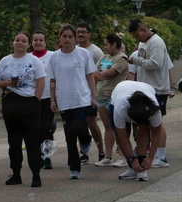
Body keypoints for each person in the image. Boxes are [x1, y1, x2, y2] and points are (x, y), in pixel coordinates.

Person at [0, 32, 47, 188]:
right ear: (13, 42)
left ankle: (36, 174)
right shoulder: (5, 61)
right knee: (14, 141)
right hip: (11, 101)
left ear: (28, 44)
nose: (20, 43)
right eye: (17, 40)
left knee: (32, 141)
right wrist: (8, 83)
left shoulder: (34, 60)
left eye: (23, 41)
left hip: (29, 102)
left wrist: (36, 100)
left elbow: (41, 81)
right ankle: (16, 174)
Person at [48, 24, 97, 180]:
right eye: (64, 36)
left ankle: (86, 139)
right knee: (69, 135)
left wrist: (93, 97)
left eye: (70, 36)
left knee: (80, 127)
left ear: (75, 38)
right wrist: (52, 99)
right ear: (60, 38)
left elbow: (90, 76)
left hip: (82, 98)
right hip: (64, 100)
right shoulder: (54, 57)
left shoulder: (83, 54)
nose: (67, 40)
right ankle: (74, 168)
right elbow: (52, 80)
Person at [127, 19, 172, 166]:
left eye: (136, 36)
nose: (136, 39)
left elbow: (156, 63)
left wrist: (136, 60)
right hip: (146, 88)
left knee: (157, 123)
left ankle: (161, 156)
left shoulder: (156, 43)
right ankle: (148, 153)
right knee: (146, 123)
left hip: (158, 88)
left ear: (143, 31)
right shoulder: (143, 43)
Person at [112, 81, 163, 182]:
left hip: (146, 88)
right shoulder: (120, 108)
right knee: (120, 134)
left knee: (142, 130)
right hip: (119, 90)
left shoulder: (154, 110)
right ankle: (132, 167)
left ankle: (141, 166)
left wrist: (151, 157)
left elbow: (156, 134)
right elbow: (122, 137)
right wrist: (132, 160)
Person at [93, 33, 129, 167]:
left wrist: (98, 74)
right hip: (101, 97)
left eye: (107, 44)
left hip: (114, 97)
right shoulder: (104, 57)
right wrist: (98, 75)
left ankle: (124, 156)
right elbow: (93, 72)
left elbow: (109, 74)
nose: (105, 47)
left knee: (119, 128)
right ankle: (108, 156)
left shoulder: (122, 59)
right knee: (108, 128)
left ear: (114, 44)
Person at [75, 22, 105, 163]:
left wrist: (95, 93)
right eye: (78, 31)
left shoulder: (96, 51)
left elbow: (101, 73)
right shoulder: (72, 50)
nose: (80, 34)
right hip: (76, 94)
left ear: (89, 34)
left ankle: (101, 151)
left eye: (83, 32)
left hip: (91, 93)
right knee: (79, 124)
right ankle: (84, 153)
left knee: (91, 122)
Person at [30, 31, 56, 169]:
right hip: (32, 98)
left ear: (45, 42)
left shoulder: (52, 56)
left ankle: (47, 156)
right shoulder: (28, 57)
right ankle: (36, 156)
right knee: (35, 128)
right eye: (35, 40)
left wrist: (54, 98)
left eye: (41, 40)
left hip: (47, 97)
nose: (38, 42)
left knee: (47, 128)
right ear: (32, 42)